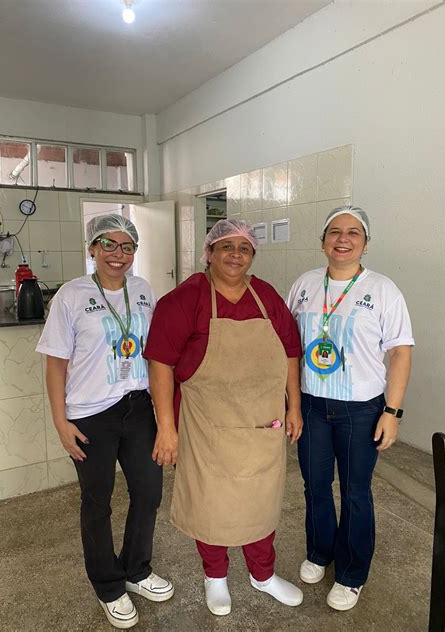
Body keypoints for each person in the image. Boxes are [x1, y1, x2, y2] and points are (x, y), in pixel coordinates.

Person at [144, 219, 304, 616]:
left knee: (261, 502)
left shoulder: (266, 296)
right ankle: (215, 578)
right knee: (210, 504)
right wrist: (166, 427)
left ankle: (262, 576)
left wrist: (294, 405)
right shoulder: (185, 300)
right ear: (209, 253)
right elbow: (160, 364)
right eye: (226, 247)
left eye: (244, 248)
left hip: (261, 424)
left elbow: (289, 352)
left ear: (252, 256)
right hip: (206, 424)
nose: (236, 255)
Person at [36, 214, 174, 629]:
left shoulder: (144, 290)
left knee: (148, 493)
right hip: (90, 413)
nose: (118, 254)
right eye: (108, 244)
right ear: (92, 249)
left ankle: (136, 569)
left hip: (138, 407)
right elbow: (56, 364)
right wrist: (60, 422)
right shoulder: (71, 295)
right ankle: (108, 585)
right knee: (97, 503)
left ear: (135, 252)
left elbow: (157, 352)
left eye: (127, 246)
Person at [287, 206, 414, 612]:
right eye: (335, 232)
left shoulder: (382, 290)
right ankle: (321, 551)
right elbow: (288, 346)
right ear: (323, 240)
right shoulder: (305, 284)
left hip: (361, 410)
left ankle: (352, 573)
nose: (343, 239)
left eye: (353, 232)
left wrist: (391, 412)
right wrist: (289, 402)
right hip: (311, 406)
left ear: (365, 242)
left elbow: (399, 352)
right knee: (315, 486)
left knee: (356, 492)